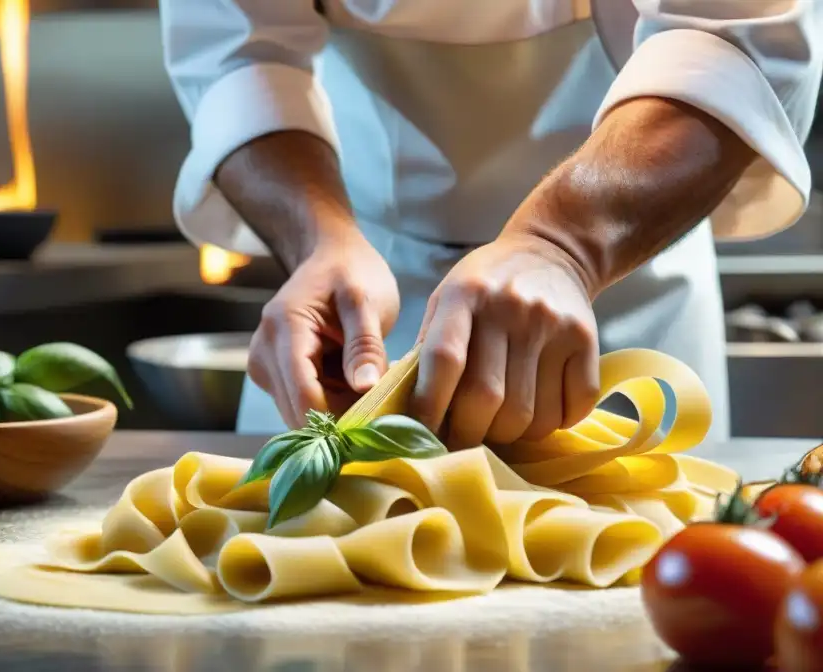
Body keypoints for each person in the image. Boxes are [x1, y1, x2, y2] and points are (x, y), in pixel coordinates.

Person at [160, 1, 822, 445]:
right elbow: (237, 55)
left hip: (625, 271)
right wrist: (319, 239)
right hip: (360, 300)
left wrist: (560, 245)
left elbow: (732, 40)